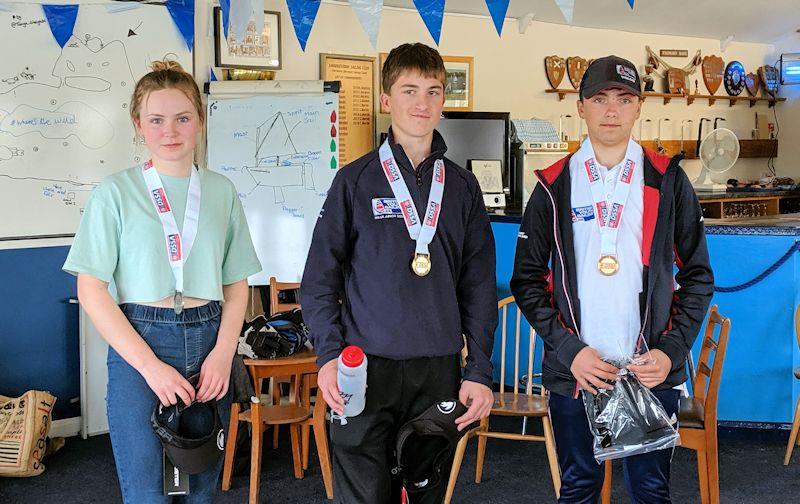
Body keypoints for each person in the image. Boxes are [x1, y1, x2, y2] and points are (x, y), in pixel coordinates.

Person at [511, 55, 714, 503]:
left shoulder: (667, 181)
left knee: (650, 491)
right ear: (580, 107)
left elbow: (698, 277)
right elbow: (526, 281)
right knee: (580, 487)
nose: (611, 110)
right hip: (579, 373)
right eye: (599, 98)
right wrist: (570, 352)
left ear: (638, 106)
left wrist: (671, 350)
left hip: (649, 371)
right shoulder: (552, 184)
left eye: (623, 99)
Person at [300, 42, 497, 504]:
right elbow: (319, 281)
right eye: (409, 90)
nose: (421, 103)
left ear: (443, 101)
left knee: (425, 491)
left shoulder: (463, 188)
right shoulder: (354, 181)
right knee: (365, 495)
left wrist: (481, 370)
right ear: (386, 100)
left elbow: (479, 288)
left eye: (432, 91)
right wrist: (328, 356)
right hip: (364, 368)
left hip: (438, 369)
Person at [63, 60, 261, 503]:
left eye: (182, 118)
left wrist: (223, 353)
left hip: (210, 341)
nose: (169, 131)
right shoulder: (114, 192)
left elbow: (235, 285)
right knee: (148, 491)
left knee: (200, 488)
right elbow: (91, 289)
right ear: (139, 125)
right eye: (156, 120)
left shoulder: (222, 191)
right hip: (141, 344)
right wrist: (150, 367)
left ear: (200, 122)